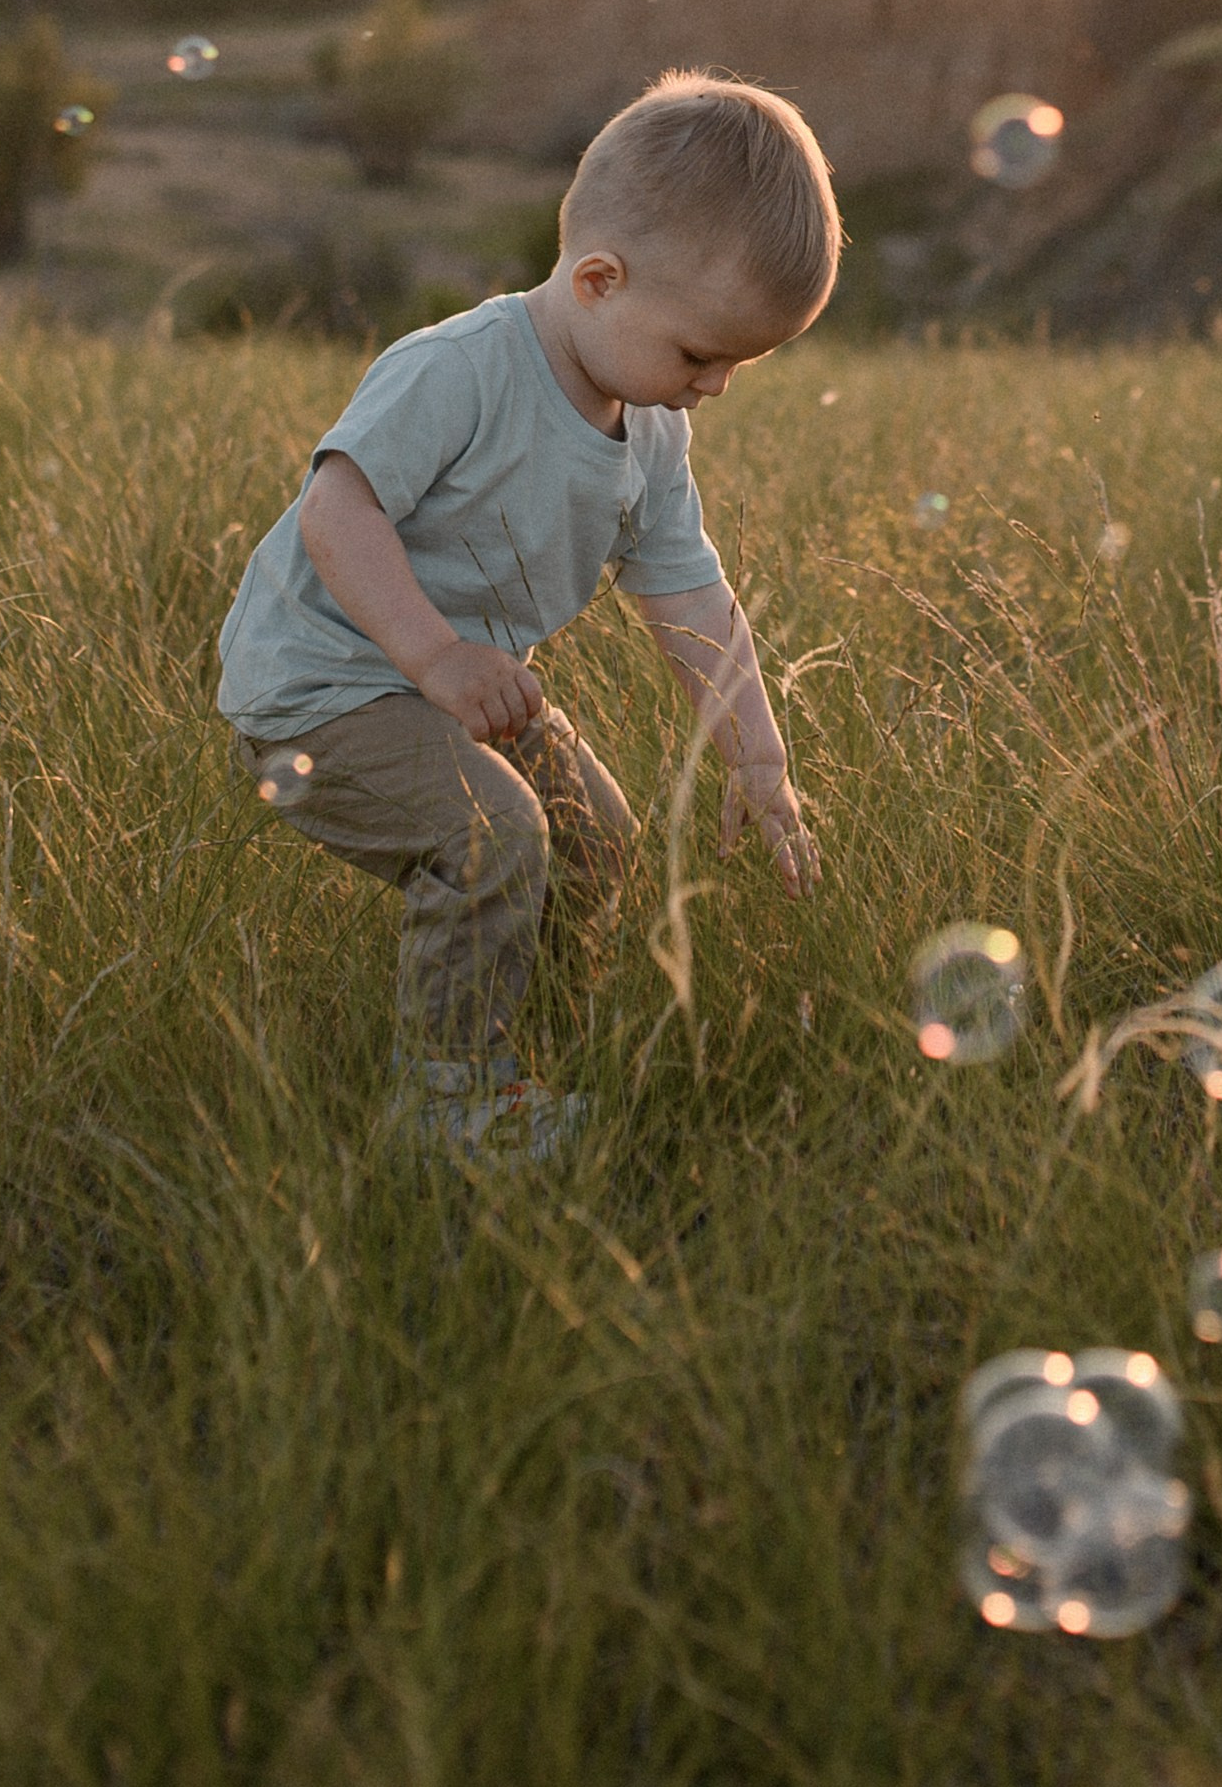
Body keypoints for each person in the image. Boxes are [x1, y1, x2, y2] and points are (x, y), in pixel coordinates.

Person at [218, 71, 840, 1157]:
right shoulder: (459, 369)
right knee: (491, 834)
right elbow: (337, 506)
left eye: (740, 363)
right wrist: (439, 656)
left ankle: (528, 1053)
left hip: (456, 684)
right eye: (700, 353)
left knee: (595, 841)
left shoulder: (649, 431)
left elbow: (691, 594)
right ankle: (448, 1101)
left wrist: (758, 763)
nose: (715, 387)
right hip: (324, 684)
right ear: (599, 279)